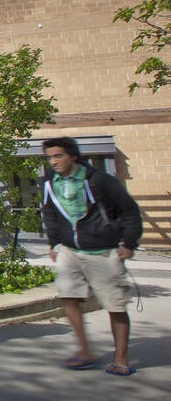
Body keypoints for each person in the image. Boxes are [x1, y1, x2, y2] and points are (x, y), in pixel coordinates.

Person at [40, 136, 142, 375]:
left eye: (58, 156)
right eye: (49, 158)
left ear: (73, 156)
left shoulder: (99, 181)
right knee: (68, 296)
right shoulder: (48, 183)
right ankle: (84, 350)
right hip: (68, 250)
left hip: (102, 250)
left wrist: (129, 243)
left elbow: (129, 211)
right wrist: (54, 243)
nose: (53, 162)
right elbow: (49, 214)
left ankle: (121, 358)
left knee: (114, 305)